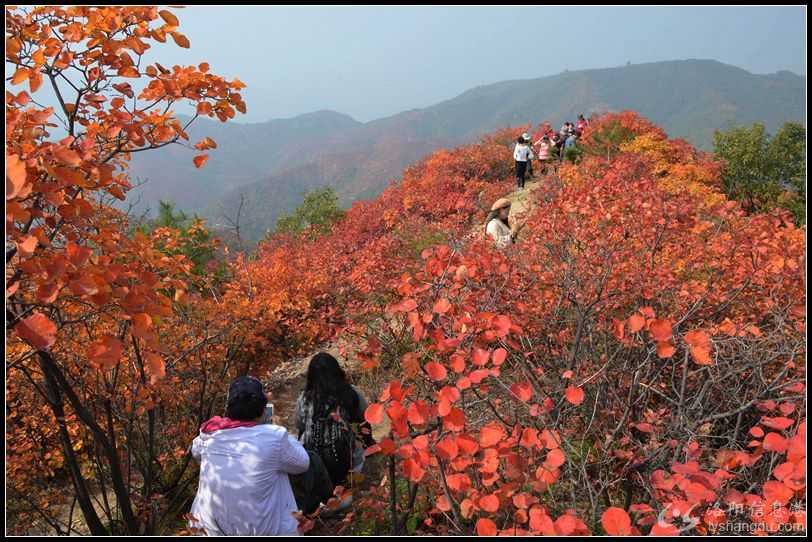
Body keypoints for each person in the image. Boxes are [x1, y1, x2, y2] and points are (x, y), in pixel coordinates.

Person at [189, 376, 311, 536]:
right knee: (282, 470)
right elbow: (303, 463)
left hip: (208, 529)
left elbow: (195, 452)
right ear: (262, 409)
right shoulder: (273, 436)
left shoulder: (209, 434)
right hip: (263, 531)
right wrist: (280, 430)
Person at [295, 353, 372, 492]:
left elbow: (300, 426)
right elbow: (365, 423)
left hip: (313, 464)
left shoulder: (304, 398)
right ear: (337, 371)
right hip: (346, 462)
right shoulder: (352, 394)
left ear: (311, 376)